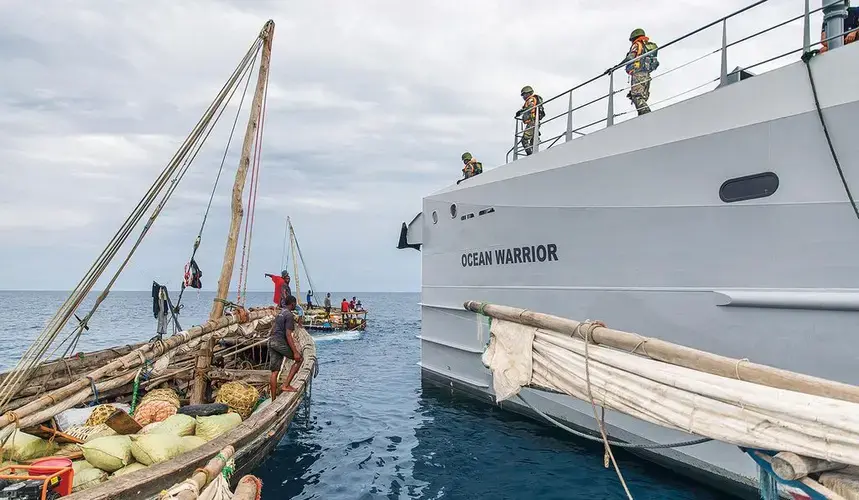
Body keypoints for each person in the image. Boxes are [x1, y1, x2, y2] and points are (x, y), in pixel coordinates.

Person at [268, 295, 302, 398]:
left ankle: (273, 399)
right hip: (279, 342)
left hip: (271, 341)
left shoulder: (280, 313)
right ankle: (286, 385)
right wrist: (295, 352)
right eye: (295, 304)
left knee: (274, 372)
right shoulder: (289, 315)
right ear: (292, 304)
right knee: (299, 359)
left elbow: (274, 328)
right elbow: (288, 335)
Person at [623, 28, 659, 116]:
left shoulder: (637, 44)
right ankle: (642, 115)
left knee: (637, 96)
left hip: (638, 73)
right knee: (642, 97)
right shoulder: (647, 46)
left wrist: (618, 65)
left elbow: (631, 57)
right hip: (646, 74)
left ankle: (646, 115)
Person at [515, 86, 544, 156]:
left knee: (524, 140)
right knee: (533, 141)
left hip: (532, 122)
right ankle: (533, 155)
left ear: (528, 93)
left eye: (524, 94)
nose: (523, 96)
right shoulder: (532, 99)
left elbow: (531, 107)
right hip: (534, 122)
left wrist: (520, 111)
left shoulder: (531, 99)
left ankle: (530, 155)